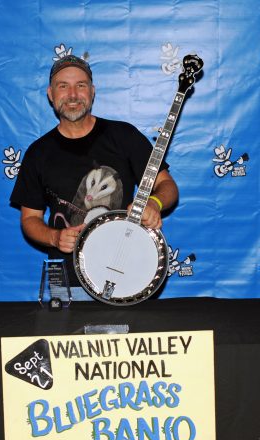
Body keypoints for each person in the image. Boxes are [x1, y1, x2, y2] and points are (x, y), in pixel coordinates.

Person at [10, 54, 178, 299]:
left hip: (132, 277)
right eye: (63, 86)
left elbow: (166, 184)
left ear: (92, 91)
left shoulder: (124, 136)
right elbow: (30, 219)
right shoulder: (38, 153)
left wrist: (155, 203)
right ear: (50, 94)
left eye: (81, 85)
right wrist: (55, 237)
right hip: (69, 286)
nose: (73, 95)